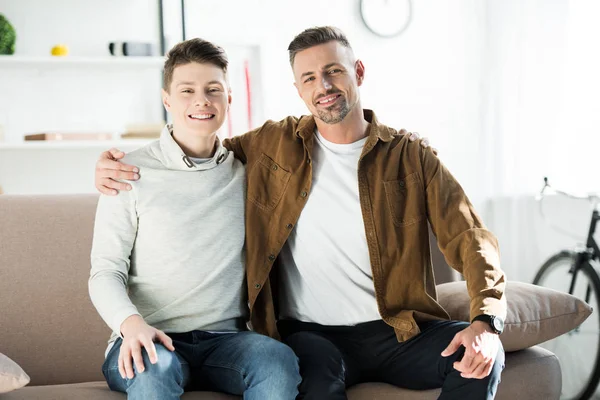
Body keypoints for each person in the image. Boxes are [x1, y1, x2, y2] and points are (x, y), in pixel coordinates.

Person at [94, 26, 506, 400]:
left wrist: (486, 322)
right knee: (306, 379)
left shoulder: (411, 157)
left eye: (334, 71)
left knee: (481, 358)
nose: (323, 86)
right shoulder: (272, 148)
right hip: (312, 337)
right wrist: (108, 167)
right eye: (309, 78)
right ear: (298, 89)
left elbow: (471, 239)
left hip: (399, 330)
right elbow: (195, 143)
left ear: (358, 72)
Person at [89, 38, 301, 400]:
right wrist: (131, 325)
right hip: (150, 338)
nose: (201, 100)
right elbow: (105, 272)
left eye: (213, 89)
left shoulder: (250, 173)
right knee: (152, 370)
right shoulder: (127, 172)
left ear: (229, 99)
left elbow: (312, 136)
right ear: (167, 99)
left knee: (277, 362)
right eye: (186, 90)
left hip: (229, 342)